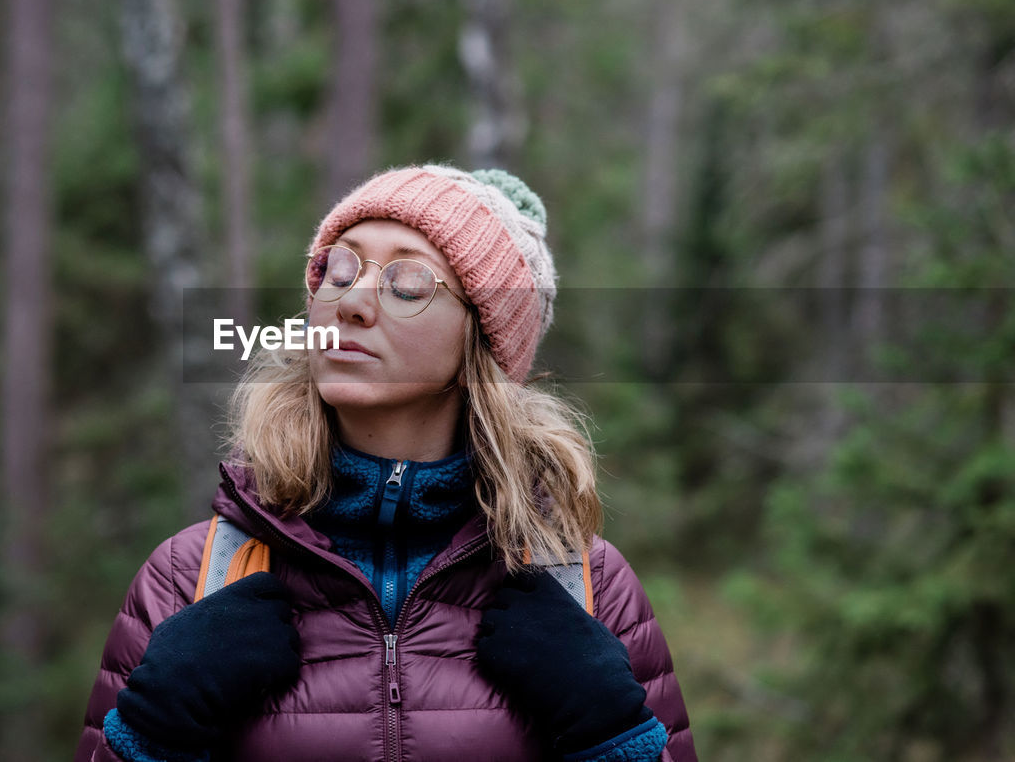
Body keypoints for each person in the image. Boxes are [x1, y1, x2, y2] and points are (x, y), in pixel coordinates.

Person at [74, 165, 697, 762]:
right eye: (337, 269)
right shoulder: (191, 576)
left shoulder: (587, 586)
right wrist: (152, 733)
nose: (350, 302)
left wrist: (612, 734)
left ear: (480, 339)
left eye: (407, 282)